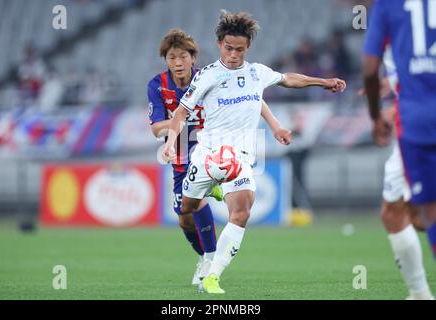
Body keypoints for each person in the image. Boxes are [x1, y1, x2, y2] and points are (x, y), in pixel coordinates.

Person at [162, 12, 346, 294]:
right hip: (208, 156)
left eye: (239, 49)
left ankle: (213, 276)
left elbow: (288, 79)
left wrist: (323, 82)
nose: (234, 55)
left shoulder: (256, 72)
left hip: (241, 159)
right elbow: (179, 114)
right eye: (228, 48)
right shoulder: (208, 76)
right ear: (219, 43)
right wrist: (169, 143)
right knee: (185, 209)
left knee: (241, 213)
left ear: (247, 47)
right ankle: (211, 190)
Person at [147, 28, 289, 290]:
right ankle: (204, 250)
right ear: (165, 60)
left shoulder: (210, 76)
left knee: (205, 203)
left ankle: (209, 259)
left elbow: (255, 99)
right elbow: (157, 128)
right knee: (183, 216)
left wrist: (275, 125)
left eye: (182, 57)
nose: (177, 63)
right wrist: (181, 122)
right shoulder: (157, 85)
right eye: (171, 58)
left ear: (193, 58)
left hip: (212, 146)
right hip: (180, 146)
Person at [363, 0, 436, 276]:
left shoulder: (388, 8)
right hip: (415, 115)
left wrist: (376, 116)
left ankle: (419, 292)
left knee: (413, 211)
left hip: (418, 123)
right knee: (409, 213)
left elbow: (370, 68)